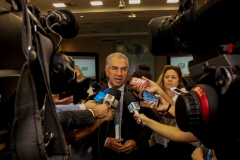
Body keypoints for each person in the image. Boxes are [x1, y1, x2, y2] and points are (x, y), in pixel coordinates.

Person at [89, 52, 152, 160]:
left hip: (134, 155)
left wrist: (135, 142)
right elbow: (87, 130)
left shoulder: (138, 96)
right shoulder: (95, 98)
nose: (119, 73)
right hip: (104, 155)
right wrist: (106, 141)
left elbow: (149, 125)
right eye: (114, 68)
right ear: (107, 71)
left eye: (123, 69)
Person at [136, 65, 196, 160]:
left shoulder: (184, 94)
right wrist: (152, 107)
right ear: (163, 79)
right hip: (160, 141)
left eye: (173, 77)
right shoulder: (156, 95)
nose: (169, 80)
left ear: (180, 80)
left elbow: (176, 108)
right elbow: (161, 119)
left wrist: (158, 90)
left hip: (181, 142)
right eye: (167, 77)